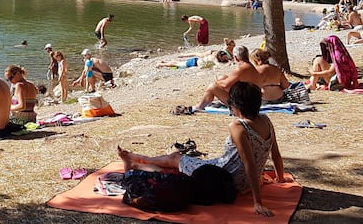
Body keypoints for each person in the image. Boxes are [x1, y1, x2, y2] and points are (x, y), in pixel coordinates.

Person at [118, 82, 289, 217]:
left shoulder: (238, 126)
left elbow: (248, 164)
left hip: (225, 176)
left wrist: (258, 202)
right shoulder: (266, 120)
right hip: (244, 180)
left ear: (236, 106)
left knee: (176, 158)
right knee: (183, 161)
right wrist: (279, 178)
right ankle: (136, 160)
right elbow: (275, 153)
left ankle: (136, 159)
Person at [194, 45, 260, 111]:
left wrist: (217, 82)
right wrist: (220, 81)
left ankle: (200, 107)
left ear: (236, 57)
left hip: (245, 106)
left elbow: (225, 85)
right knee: (222, 77)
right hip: (253, 101)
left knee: (212, 87)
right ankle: (207, 101)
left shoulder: (241, 69)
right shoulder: (250, 66)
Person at [156, 49, 231, 69]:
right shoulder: (214, 58)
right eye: (224, 58)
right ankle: (161, 64)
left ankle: (164, 62)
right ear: (220, 57)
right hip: (194, 62)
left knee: (178, 63)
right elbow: (219, 65)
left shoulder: (215, 56)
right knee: (177, 64)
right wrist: (228, 64)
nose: (225, 59)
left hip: (196, 61)